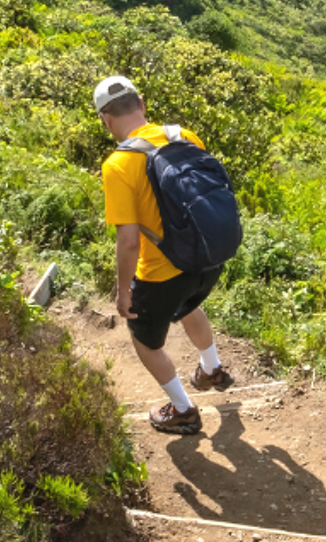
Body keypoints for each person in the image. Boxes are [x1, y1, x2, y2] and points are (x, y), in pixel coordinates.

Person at [96, 75, 235, 435]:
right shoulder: (184, 135)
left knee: (144, 340)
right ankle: (211, 369)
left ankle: (184, 410)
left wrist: (124, 291)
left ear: (104, 119)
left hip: (162, 273)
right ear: (141, 103)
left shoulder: (118, 164)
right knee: (189, 305)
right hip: (207, 259)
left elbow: (128, 241)